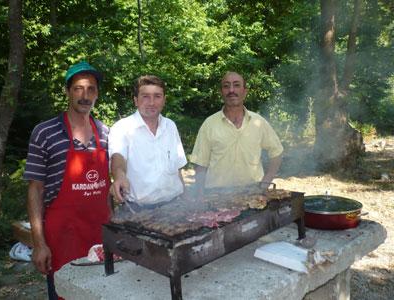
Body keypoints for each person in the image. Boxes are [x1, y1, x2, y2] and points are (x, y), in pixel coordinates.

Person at [24, 61, 110, 299]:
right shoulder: (45, 132)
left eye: (91, 89)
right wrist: (39, 244)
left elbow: (112, 187)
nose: (85, 95)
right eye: (78, 88)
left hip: (100, 233)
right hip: (62, 235)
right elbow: (35, 189)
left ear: (97, 94)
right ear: (67, 91)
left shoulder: (106, 134)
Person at [191, 71, 283, 199]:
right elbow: (200, 164)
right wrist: (200, 196)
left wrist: (265, 183)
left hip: (253, 194)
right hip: (216, 197)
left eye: (236, 85)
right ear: (221, 92)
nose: (231, 90)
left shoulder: (259, 122)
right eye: (226, 86)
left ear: (245, 91)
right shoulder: (209, 124)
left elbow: (277, 152)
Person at [109, 75, 187, 207]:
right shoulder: (122, 128)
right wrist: (119, 176)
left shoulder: (170, 126)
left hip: (175, 206)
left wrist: (186, 199)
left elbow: (178, 169)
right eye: (145, 96)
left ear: (164, 100)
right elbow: (118, 158)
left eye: (157, 96)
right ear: (135, 100)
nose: (152, 102)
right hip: (139, 211)